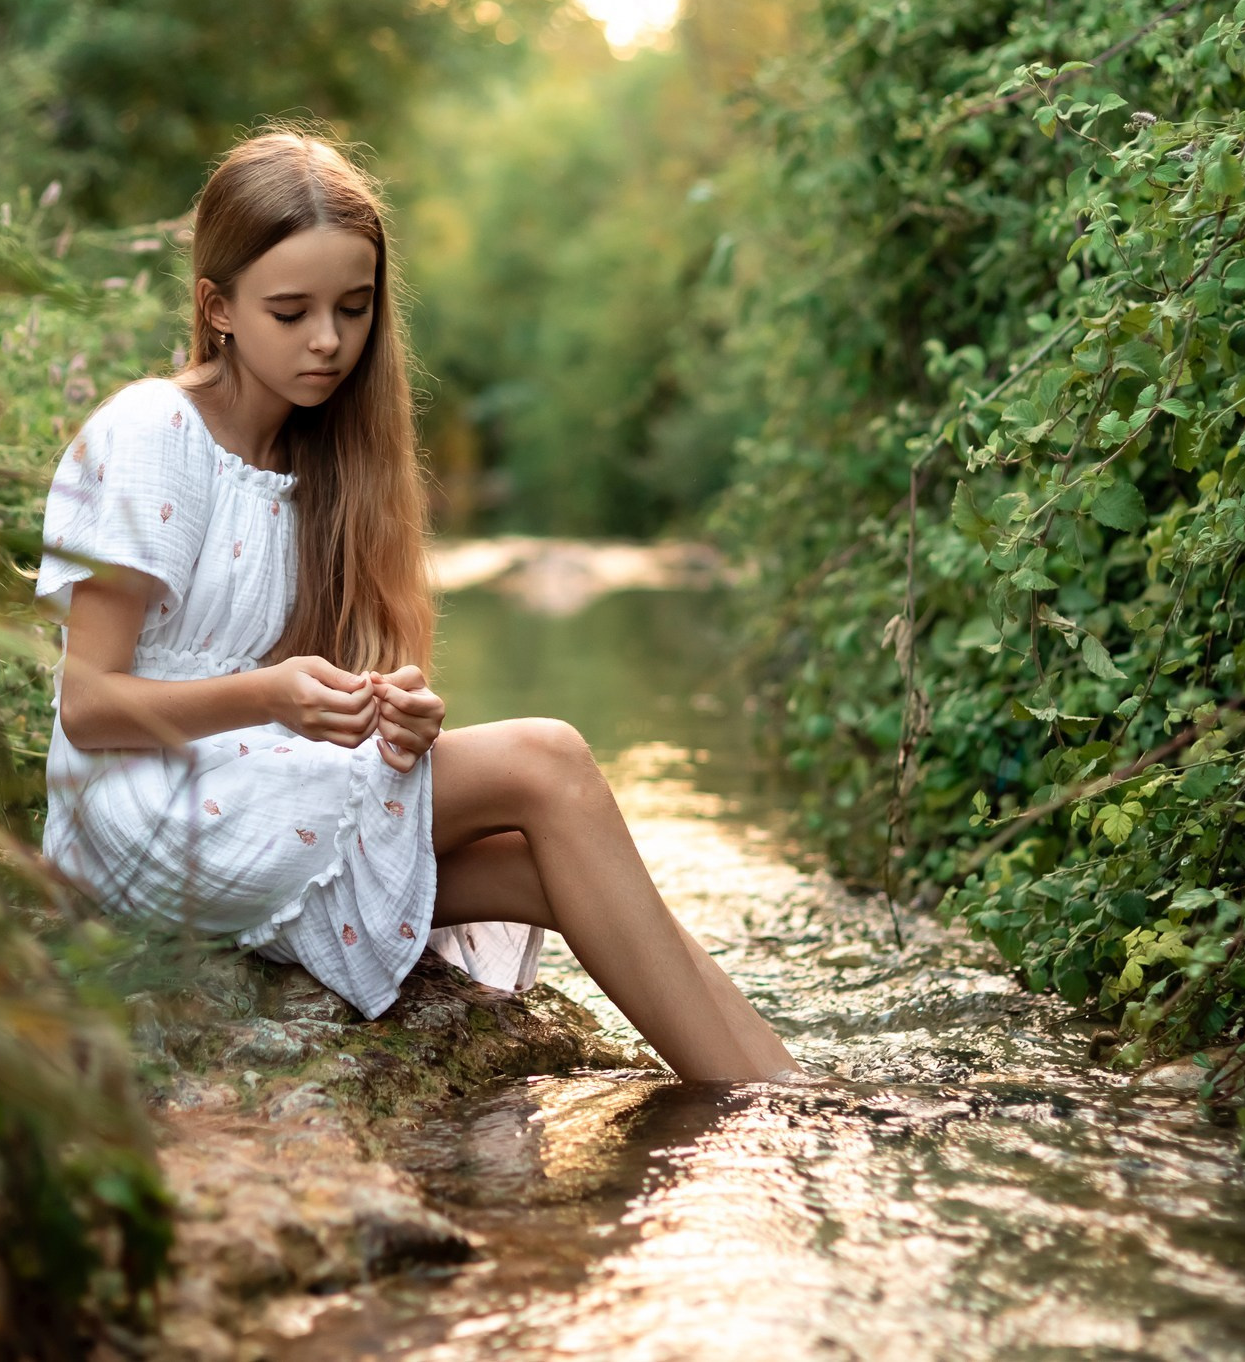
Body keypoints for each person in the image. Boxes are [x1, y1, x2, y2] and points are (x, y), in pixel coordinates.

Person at [39, 131, 799, 1083]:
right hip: (137, 810)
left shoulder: (310, 457)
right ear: (217, 307)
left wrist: (385, 717)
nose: (328, 341)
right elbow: (89, 706)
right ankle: (785, 1107)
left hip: (238, 777)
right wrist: (271, 697)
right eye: (291, 311)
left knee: (544, 866)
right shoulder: (154, 433)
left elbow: (288, 688)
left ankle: (790, 1097)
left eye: (352, 310)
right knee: (547, 759)